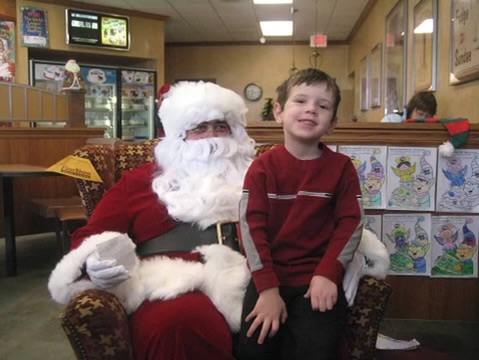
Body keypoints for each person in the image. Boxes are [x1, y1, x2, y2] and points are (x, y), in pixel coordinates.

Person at [48, 80, 257, 360]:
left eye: (221, 126)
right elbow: (95, 232)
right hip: (175, 282)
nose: (213, 138)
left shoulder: (262, 175)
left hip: (257, 273)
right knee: (178, 324)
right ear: (178, 137)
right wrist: (97, 261)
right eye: (199, 128)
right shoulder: (141, 181)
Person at [235, 68, 364, 360]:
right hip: (268, 277)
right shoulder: (262, 168)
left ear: (331, 122)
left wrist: (329, 274)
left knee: (317, 349)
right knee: (253, 350)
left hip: (317, 278)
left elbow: (351, 222)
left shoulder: (341, 168)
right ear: (279, 112)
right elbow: (251, 229)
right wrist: (267, 290)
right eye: (301, 101)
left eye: (323, 105)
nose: (311, 109)